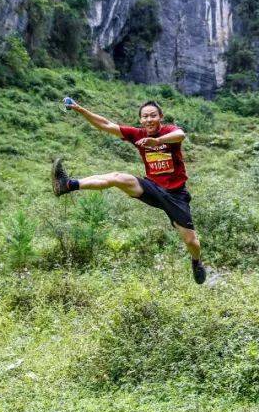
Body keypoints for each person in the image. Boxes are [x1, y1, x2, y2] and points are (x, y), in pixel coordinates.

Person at [52, 97, 207, 284]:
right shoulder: (137, 134)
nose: (149, 120)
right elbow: (105, 124)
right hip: (151, 187)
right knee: (118, 178)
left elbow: (180, 135)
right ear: (140, 120)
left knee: (191, 242)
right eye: (145, 117)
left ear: (160, 117)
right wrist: (79, 109)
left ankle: (196, 261)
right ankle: (67, 185)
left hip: (176, 195)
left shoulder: (169, 131)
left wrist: (155, 141)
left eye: (153, 116)